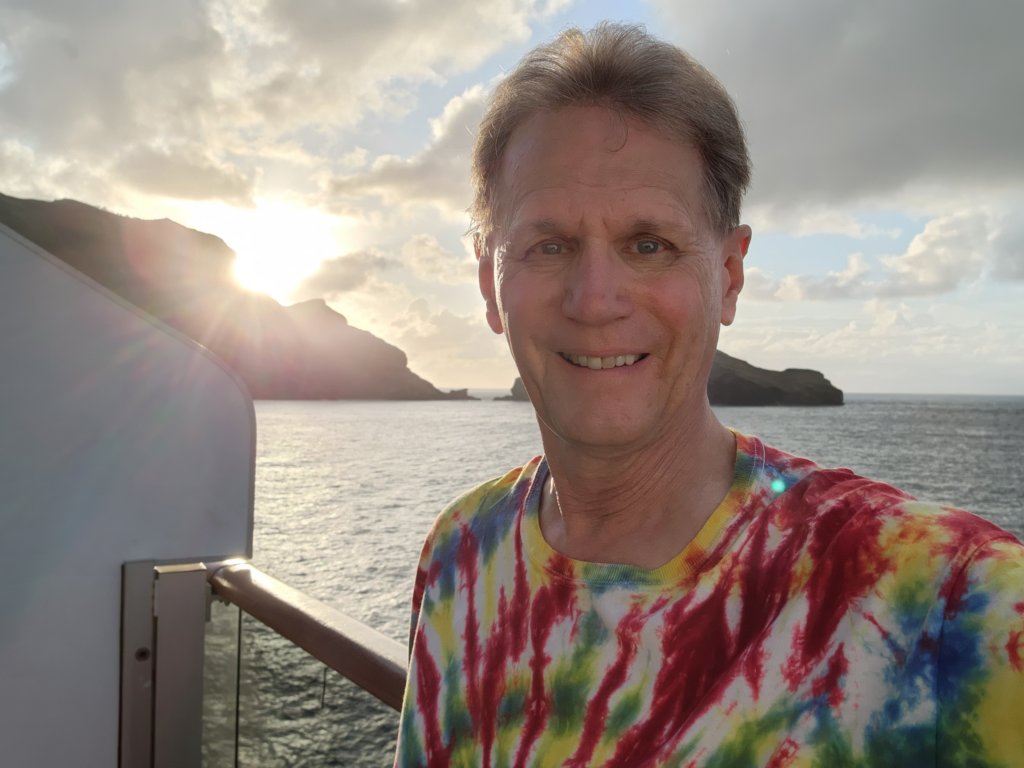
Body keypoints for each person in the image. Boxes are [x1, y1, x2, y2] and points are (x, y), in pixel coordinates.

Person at [394, 22, 1024, 767]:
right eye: (549, 245)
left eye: (649, 245)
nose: (595, 299)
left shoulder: (950, 604)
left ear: (728, 276)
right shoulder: (461, 551)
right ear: (489, 285)